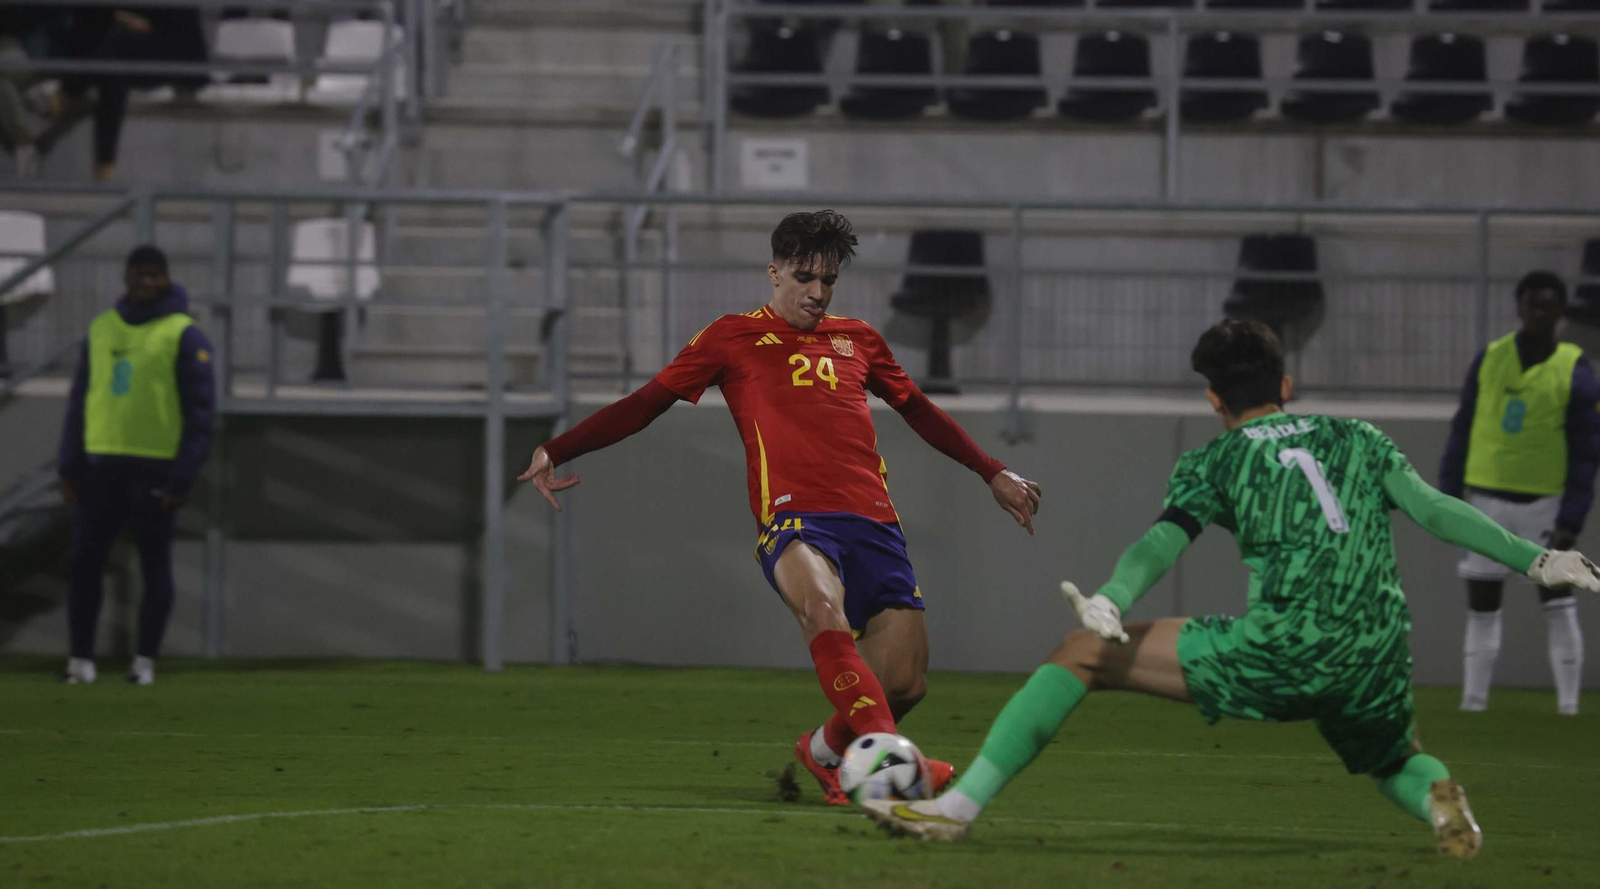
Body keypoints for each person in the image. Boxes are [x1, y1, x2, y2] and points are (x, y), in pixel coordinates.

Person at [864, 318, 1600, 857]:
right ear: (1287, 385)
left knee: (1080, 652)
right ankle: (1446, 804)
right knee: (1394, 757)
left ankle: (956, 807)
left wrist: (1113, 597)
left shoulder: (1217, 461)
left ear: (1215, 400)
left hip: (1291, 642)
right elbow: (1439, 510)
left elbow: (1163, 539)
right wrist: (1536, 559)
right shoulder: (1359, 438)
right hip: (1379, 647)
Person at [519, 210, 1042, 805]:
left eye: (828, 282)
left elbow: (920, 411)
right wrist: (556, 448)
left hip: (873, 519)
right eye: (804, 278)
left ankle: (821, 753)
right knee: (824, 609)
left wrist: (992, 471)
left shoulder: (860, 339)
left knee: (905, 682)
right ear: (774, 272)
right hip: (794, 519)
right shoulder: (731, 337)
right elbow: (644, 404)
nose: (817, 293)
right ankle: (901, 766)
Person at [1440, 271, 1598, 716]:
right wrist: (1448, 496)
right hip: (1484, 502)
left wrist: (1572, 518)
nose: (1539, 312)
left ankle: (1568, 707)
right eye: (1532, 304)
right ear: (1519, 307)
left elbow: (1588, 451)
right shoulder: (1490, 359)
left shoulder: (1575, 369)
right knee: (1482, 606)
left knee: (1559, 602)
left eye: (1548, 305)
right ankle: (1474, 705)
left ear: (1561, 312)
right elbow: (1462, 428)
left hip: (1543, 506)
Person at [58, 246, 216, 686]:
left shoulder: (185, 335)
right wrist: (69, 465)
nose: (147, 282)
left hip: (156, 469)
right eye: (139, 275)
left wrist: (183, 475)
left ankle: (144, 661)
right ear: (126, 278)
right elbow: (79, 401)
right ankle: (80, 662)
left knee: (154, 565)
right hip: (100, 465)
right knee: (84, 563)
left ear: (166, 278)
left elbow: (201, 414)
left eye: (155, 275)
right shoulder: (101, 329)